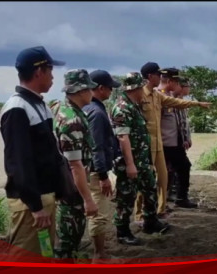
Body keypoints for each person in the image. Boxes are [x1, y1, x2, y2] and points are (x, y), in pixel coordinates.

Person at [0, 46, 65, 256]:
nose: (53, 77)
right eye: (50, 70)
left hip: (44, 197)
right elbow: (18, 163)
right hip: (31, 204)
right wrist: (35, 206)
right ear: (39, 72)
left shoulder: (39, 105)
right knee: (24, 259)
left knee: (44, 255)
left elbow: (48, 153)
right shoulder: (17, 108)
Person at [134, 62, 211, 221]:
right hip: (150, 145)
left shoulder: (158, 96)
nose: (160, 78)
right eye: (158, 75)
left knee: (163, 178)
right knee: (147, 180)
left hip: (161, 145)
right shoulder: (140, 96)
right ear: (151, 76)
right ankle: (141, 214)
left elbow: (178, 106)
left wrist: (197, 103)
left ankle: (161, 210)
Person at [111, 72, 170, 245]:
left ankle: (150, 222)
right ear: (135, 88)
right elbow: (123, 138)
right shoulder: (122, 108)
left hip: (142, 161)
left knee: (150, 189)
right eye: (140, 88)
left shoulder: (133, 105)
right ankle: (122, 232)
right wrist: (130, 164)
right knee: (126, 198)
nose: (143, 92)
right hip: (130, 163)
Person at [52, 69, 99, 260]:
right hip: (72, 188)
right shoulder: (73, 121)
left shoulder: (58, 107)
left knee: (66, 237)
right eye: (90, 89)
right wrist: (88, 199)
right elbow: (75, 165)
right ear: (80, 91)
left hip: (62, 182)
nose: (92, 93)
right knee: (69, 239)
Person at [80, 69, 122, 255]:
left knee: (88, 210)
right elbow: (96, 146)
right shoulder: (96, 113)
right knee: (99, 214)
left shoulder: (86, 108)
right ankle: (100, 253)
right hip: (95, 171)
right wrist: (104, 175)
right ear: (101, 88)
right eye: (110, 88)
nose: (112, 92)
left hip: (85, 169)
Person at [160, 72, 197, 208]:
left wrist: (185, 138)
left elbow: (181, 123)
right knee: (169, 171)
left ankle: (175, 197)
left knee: (178, 168)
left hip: (175, 142)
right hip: (166, 143)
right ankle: (172, 199)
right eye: (178, 83)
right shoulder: (162, 97)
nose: (187, 88)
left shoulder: (171, 98)